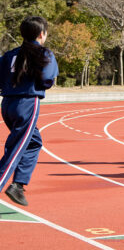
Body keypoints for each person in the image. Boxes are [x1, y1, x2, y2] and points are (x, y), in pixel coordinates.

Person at [0, 16, 58, 206]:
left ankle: (18, 185)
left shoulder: (10, 54)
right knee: (15, 149)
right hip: (27, 104)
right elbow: (48, 79)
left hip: (7, 103)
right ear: (42, 34)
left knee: (33, 143)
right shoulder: (44, 53)